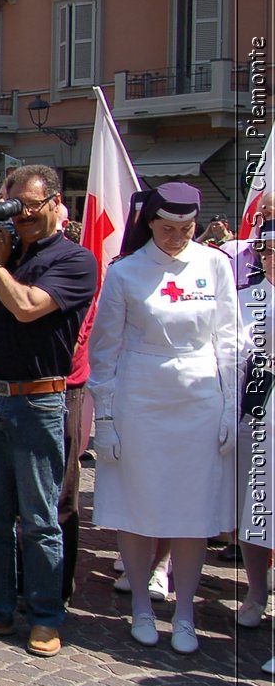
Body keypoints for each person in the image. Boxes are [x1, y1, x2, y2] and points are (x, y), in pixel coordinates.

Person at [0, 165, 98, 658]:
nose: (22, 215)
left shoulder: (75, 260)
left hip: (39, 400)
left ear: (56, 204)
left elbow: (30, 306)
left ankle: (47, 615)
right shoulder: (5, 256)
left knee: (39, 518)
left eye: (32, 205)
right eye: (15, 205)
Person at [88, 183, 238, 654]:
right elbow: (105, 349)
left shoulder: (215, 264)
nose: (177, 237)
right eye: (168, 228)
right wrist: (106, 419)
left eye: (186, 229)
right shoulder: (126, 272)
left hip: (199, 398)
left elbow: (230, 339)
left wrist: (231, 405)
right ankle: (141, 608)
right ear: (150, 223)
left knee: (192, 513)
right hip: (141, 397)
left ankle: (187, 612)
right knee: (138, 508)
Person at [236, 227, 275, 673]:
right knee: (253, 507)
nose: (269, 256)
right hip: (255, 414)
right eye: (264, 248)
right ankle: (255, 591)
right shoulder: (246, 297)